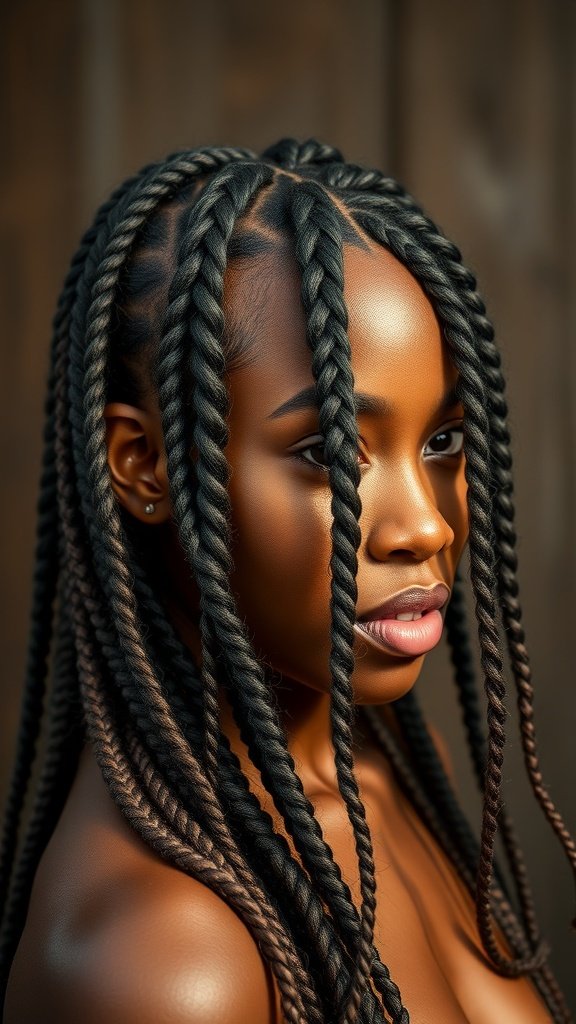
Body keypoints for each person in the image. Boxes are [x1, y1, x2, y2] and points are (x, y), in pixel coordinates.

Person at [0, 138, 573, 1024]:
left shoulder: (393, 777)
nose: (426, 523)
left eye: (444, 441)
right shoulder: (163, 966)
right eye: (330, 452)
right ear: (145, 464)